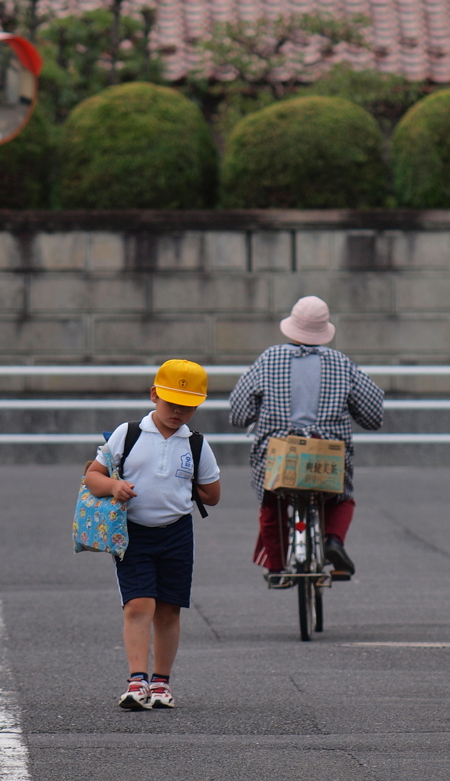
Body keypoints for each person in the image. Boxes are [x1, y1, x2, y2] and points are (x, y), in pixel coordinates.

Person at [84, 359, 221, 710]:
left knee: (169, 609)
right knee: (138, 604)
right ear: (154, 395)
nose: (178, 411)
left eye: (188, 406)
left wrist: (189, 484)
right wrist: (114, 485)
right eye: (172, 402)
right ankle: (136, 681)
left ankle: (161, 683)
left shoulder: (196, 444)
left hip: (176, 532)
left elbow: (213, 493)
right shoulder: (127, 434)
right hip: (133, 534)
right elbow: (93, 477)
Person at [228, 295, 383, 582]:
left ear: (292, 326)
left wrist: (255, 416)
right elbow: (373, 414)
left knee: (271, 500)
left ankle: (276, 567)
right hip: (326, 452)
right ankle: (333, 541)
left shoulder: (269, 358)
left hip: (279, 453)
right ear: (324, 330)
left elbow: (239, 411)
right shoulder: (341, 363)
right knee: (341, 498)